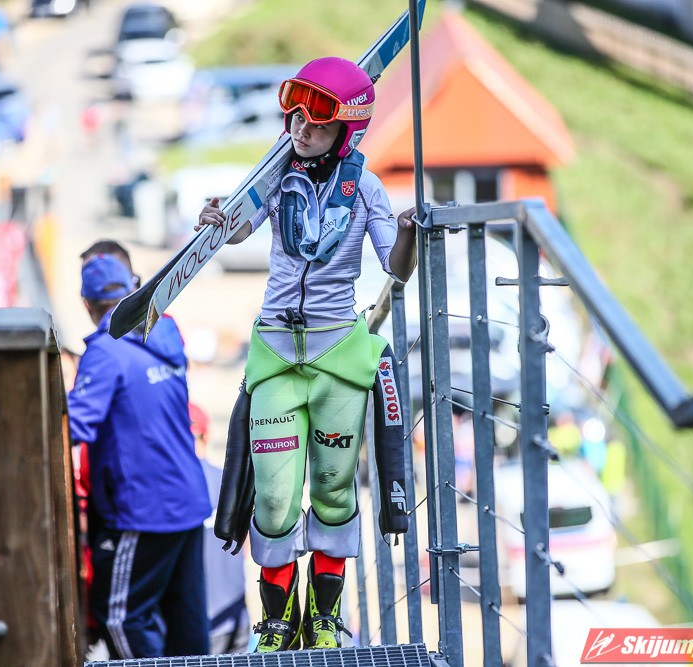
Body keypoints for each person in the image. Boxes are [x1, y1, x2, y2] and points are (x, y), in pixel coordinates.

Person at [196, 56, 417, 652]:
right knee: (273, 499)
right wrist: (217, 219)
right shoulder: (277, 172)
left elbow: (395, 269)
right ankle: (277, 619)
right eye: (295, 118)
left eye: (317, 123)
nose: (302, 130)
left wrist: (408, 233)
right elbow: (240, 228)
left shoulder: (365, 187)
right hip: (275, 352)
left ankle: (324, 617)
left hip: (337, 355)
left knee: (334, 489)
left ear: (347, 130)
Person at [68, 252, 211, 658]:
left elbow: (76, 425)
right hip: (187, 499)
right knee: (186, 619)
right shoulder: (167, 333)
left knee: (121, 617)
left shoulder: (106, 350)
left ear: (87, 304)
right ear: (133, 290)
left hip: (144, 510)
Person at [190, 402, 252, 654]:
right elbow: (248, 547)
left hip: (196, 623)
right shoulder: (231, 483)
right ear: (206, 436)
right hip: (236, 618)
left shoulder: (169, 490)